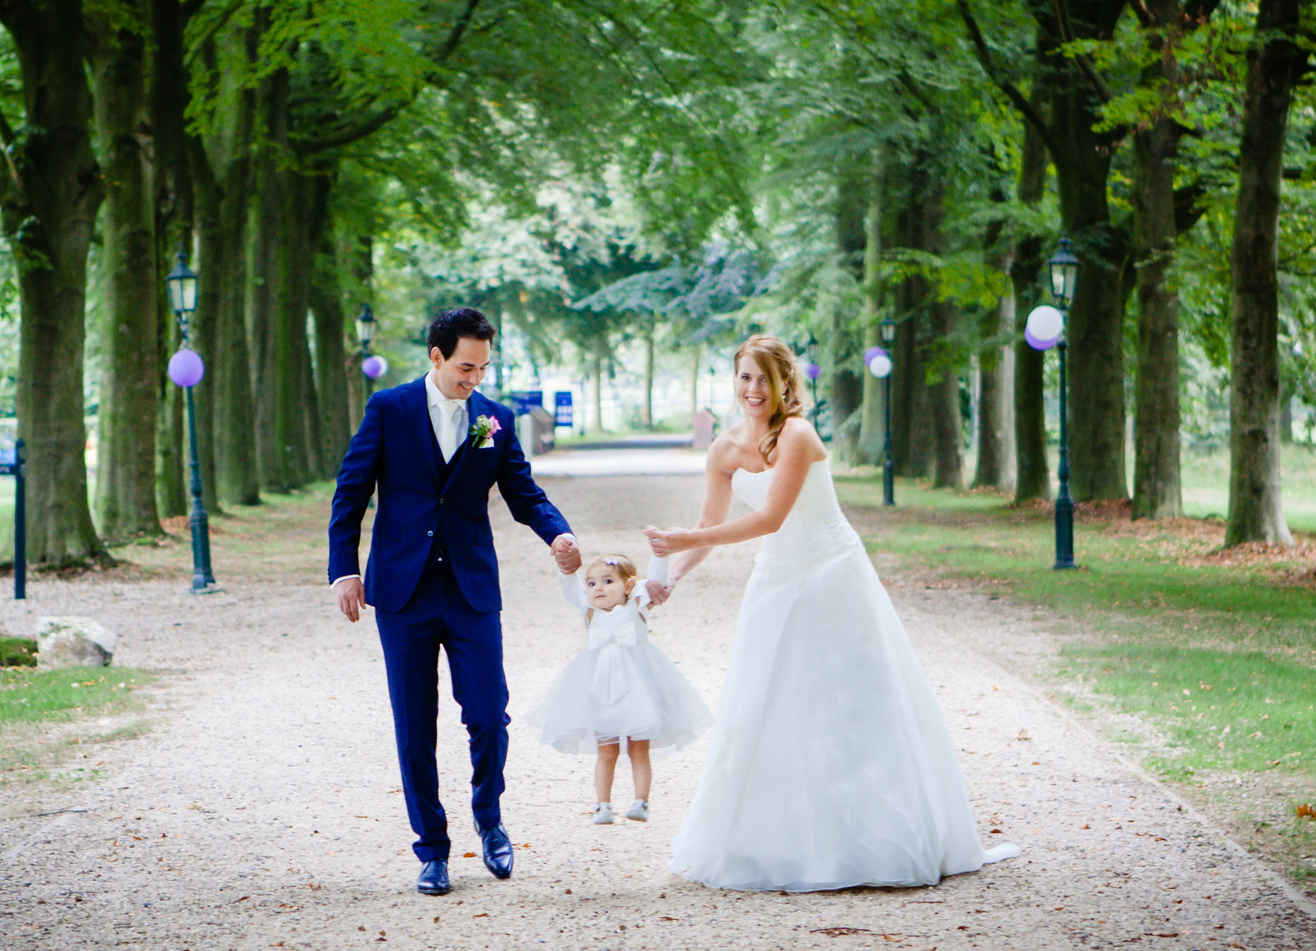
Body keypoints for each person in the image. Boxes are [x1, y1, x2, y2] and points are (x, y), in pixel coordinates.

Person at [644, 334, 1020, 892]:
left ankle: (877, 837)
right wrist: (673, 573)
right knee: (766, 702)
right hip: (775, 580)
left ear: (783, 384)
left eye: (764, 379)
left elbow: (771, 518)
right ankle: (779, 842)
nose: (753, 389)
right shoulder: (723, 450)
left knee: (852, 702)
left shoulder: (797, 435)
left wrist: (683, 538)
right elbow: (711, 524)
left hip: (831, 575)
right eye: (745, 377)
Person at [327, 308, 581, 896]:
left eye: (484, 367)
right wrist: (344, 570)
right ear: (436, 357)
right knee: (416, 725)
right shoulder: (388, 409)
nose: (475, 378)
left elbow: (522, 491)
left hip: (470, 589)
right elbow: (351, 491)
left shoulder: (494, 418)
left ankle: (489, 819)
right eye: (466, 366)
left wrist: (557, 534)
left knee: (490, 713)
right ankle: (433, 848)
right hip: (403, 592)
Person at [527, 552, 712, 824]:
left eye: (607, 581)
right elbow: (570, 587)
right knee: (607, 750)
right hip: (601, 690)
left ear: (628, 586)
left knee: (640, 748)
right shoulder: (589, 610)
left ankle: (641, 801)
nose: (598, 588)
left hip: (639, 689)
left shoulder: (638, 604)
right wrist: (564, 567)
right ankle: (602, 804)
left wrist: (659, 556)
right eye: (591, 584)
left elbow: (655, 581)